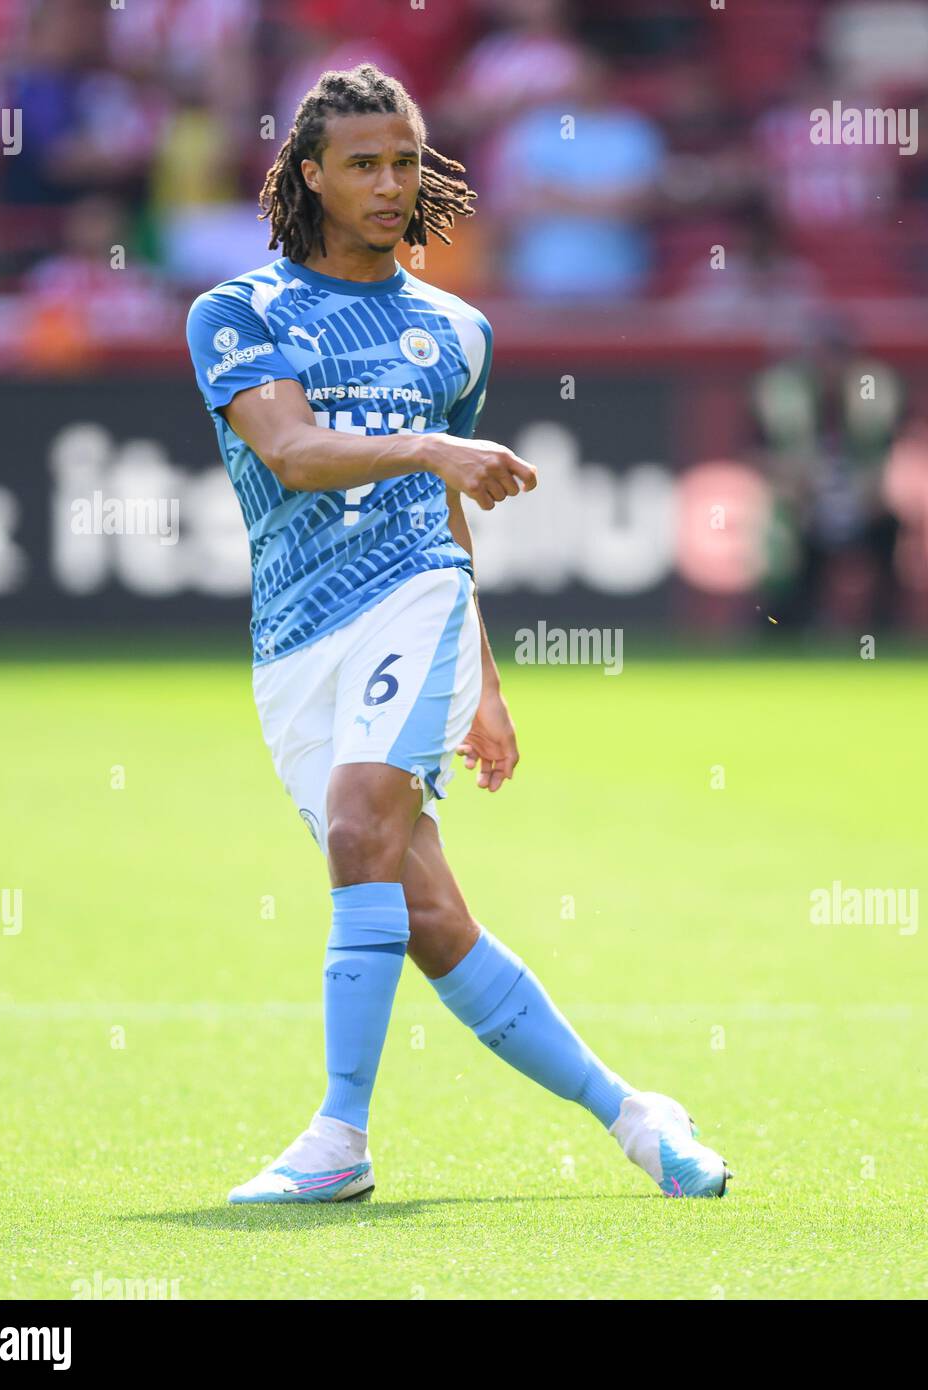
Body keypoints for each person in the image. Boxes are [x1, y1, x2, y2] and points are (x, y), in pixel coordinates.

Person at [185, 65, 730, 1203]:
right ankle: (636, 1117)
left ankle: (338, 1137)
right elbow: (289, 452)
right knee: (428, 917)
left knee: (355, 823)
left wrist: (483, 679)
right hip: (294, 637)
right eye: (364, 164)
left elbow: (443, 527)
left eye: (407, 161)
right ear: (310, 177)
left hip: (413, 598)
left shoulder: (457, 332)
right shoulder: (235, 312)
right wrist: (434, 448)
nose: (392, 184)